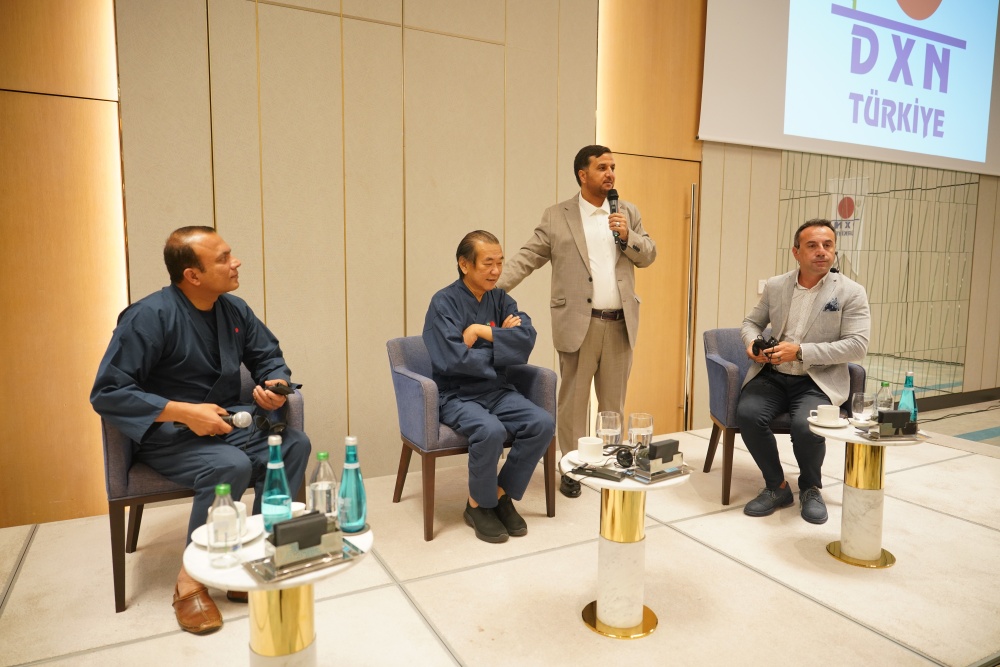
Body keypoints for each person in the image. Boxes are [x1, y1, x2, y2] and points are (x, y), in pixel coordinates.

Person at [90, 226, 311, 634]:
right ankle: (190, 581)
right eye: (223, 258)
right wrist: (184, 412)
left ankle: (257, 557)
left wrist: (274, 387)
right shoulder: (148, 317)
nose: (236, 262)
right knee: (229, 466)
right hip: (168, 435)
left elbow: (269, 357)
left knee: (293, 444)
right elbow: (107, 392)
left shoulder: (234, 310)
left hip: (226, 423)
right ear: (192, 275)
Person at [497, 145, 656, 472]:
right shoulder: (557, 216)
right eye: (602, 168)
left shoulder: (627, 212)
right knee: (573, 404)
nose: (610, 174)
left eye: (613, 167)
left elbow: (649, 254)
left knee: (613, 407)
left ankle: (609, 466)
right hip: (578, 323)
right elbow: (528, 257)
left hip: (620, 325)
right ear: (583, 175)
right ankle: (573, 468)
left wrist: (627, 235)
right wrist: (489, 289)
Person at [423, 230, 555, 544]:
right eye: (488, 263)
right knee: (490, 430)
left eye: (500, 262)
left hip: (496, 390)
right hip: (456, 394)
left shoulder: (501, 298)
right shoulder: (443, 303)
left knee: (541, 423)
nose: (496, 271)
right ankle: (478, 506)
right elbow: (453, 360)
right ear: (464, 264)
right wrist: (500, 347)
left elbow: (525, 340)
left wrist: (478, 331)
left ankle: (499, 494)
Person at [737, 219, 870, 524]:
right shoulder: (776, 285)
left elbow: (857, 346)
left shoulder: (851, 292)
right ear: (796, 252)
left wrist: (800, 352)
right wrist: (752, 343)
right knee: (748, 414)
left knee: (805, 426)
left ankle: (810, 488)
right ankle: (777, 486)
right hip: (772, 375)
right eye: (812, 245)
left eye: (828, 245)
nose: (822, 251)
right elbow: (751, 323)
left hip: (817, 379)